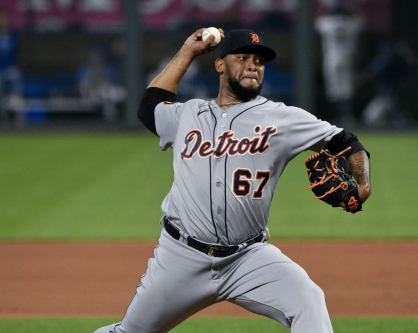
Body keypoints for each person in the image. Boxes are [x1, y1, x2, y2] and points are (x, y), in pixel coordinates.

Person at [94, 28, 371, 333]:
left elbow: (347, 142)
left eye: (259, 61)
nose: (253, 65)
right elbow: (150, 105)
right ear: (220, 64)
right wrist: (188, 51)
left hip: (247, 258)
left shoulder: (282, 118)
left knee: (309, 301)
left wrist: (363, 184)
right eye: (243, 58)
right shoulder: (188, 114)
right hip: (181, 257)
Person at [0, 12, 22, 124]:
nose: (2, 22)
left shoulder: (13, 36)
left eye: (4, 20)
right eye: (0, 20)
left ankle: (17, 114)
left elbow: (16, 52)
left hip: (10, 67)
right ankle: (2, 115)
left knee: (16, 88)